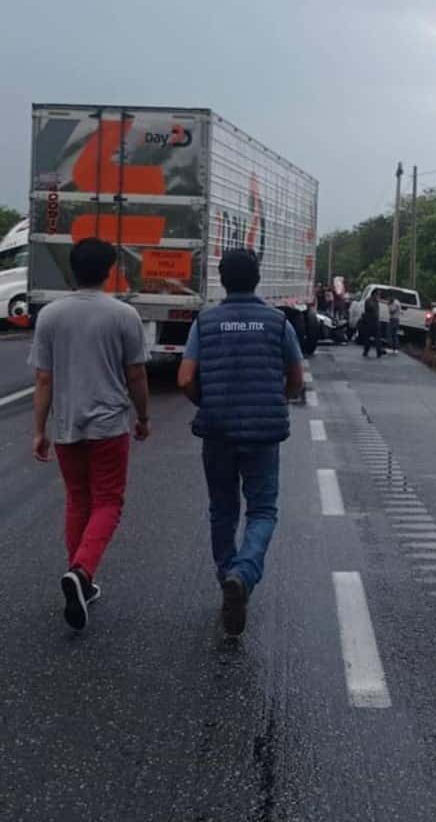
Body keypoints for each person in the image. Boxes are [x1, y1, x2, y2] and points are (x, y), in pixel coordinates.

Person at [178, 248, 304, 636]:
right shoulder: (278, 323)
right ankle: (244, 574)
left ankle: (227, 576)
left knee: (222, 509)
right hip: (263, 434)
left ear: (222, 279)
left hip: (217, 430)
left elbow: (184, 379)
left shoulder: (205, 322)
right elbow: (296, 378)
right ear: (258, 278)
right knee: (262, 510)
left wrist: (206, 400)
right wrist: (275, 400)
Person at [29, 237, 150, 631]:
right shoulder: (124, 315)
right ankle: (81, 573)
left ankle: (80, 578)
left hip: (67, 424)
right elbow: (135, 373)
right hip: (109, 424)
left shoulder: (50, 316)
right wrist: (143, 416)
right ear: (110, 270)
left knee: (78, 500)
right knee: (109, 502)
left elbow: (44, 378)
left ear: (71, 270)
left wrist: (38, 430)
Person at [360, 288, 383, 358]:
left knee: (378, 338)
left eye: (379, 294)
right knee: (367, 338)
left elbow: (377, 312)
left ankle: (379, 352)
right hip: (369, 322)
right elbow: (371, 307)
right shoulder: (369, 300)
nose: (379, 296)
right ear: (374, 294)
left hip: (375, 322)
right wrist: (376, 301)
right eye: (378, 294)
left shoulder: (376, 301)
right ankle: (366, 351)